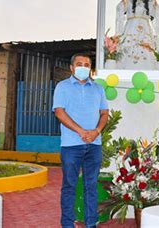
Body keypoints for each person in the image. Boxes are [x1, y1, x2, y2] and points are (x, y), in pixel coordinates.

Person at [53, 53, 109, 228]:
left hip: (94, 145)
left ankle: (91, 223)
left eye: (86, 64)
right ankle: (67, 224)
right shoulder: (62, 87)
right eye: (79, 64)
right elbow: (59, 111)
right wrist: (81, 131)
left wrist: (96, 131)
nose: (83, 67)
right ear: (72, 68)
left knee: (91, 186)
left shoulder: (98, 88)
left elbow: (104, 113)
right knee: (69, 185)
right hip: (71, 145)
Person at [115, 0, 159, 70]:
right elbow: (119, 9)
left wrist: (155, 6)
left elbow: (156, 15)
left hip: (145, 28)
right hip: (130, 27)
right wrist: (122, 3)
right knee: (128, 45)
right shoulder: (129, 1)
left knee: (145, 47)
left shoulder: (149, 3)